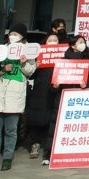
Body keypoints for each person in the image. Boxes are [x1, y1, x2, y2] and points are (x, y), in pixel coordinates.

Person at [0, 23, 36, 172]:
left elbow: (30, 71)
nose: (14, 36)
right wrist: (1, 69)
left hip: (15, 95)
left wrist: (24, 63)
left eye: (17, 34)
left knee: (11, 129)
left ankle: (7, 158)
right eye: (12, 33)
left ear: (22, 37)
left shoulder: (27, 52)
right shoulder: (0, 49)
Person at [25, 32, 60, 161]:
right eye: (50, 39)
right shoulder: (38, 56)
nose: (52, 42)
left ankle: (47, 146)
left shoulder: (61, 56)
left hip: (53, 91)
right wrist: (37, 66)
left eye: (55, 40)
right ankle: (34, 144)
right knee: (36, 119)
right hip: (39, 91)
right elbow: (30, 75)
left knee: (49, 119)